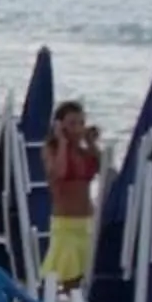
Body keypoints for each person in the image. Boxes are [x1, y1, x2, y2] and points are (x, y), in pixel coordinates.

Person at [43, 99, 101, 285]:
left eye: (81, 123)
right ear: (60, 125)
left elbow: (108, 172)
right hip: (66, 225)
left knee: (85, 281)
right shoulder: (51, 150)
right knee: (64, 281)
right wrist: (61, 141)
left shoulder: (84, 153)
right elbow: (59, 171)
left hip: (87, 223)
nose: (78, 129)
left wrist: (91, 144)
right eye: (72, 124)